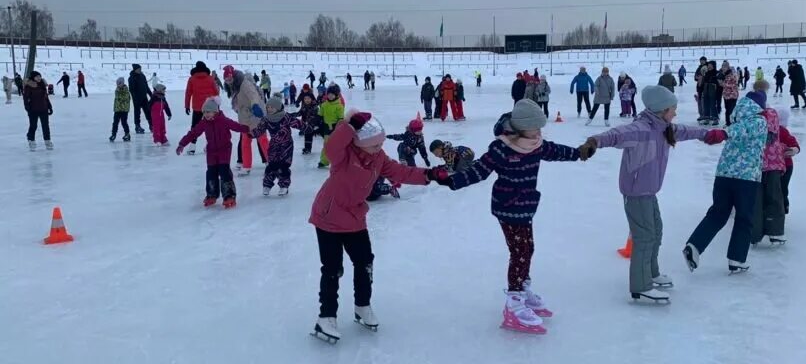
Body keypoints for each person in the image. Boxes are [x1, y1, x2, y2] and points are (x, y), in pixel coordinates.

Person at [434, 100, 585, 334]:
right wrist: (452, 180)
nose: (540, 132)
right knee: (519, 251)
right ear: (522, 127)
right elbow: (479, 171)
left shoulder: (536, 144)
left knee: (528, 248)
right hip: (507, 207)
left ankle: (523, 288)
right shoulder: (501, 148)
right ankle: (513, 302)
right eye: (536, 127)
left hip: (527, 206)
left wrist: (578, 153)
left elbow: (556, 151)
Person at [580, 86, 725, 302]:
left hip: (649, 192)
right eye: (672, 109)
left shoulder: (664, 128)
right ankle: (641, 286)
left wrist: (707, 135)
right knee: (645, 237)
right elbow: (614, 135)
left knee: (656, 232)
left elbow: (688, 131)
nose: (675, 113)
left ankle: (651, 272)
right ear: (661, 110)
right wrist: (593, 143)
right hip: (636, 193)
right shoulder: (640, 129)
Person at [309, 111, 436, 344]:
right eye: (374, 144)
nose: (379, 148)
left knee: (365, 262)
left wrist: (430, 175)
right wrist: (348, 125)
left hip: (354, 218)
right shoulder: (343, 156)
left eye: (381, 143)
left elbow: (401, 171)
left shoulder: (378, 157)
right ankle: (326, 317)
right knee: (332, 268)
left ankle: (362, 305)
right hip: (328, 217)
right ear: (359, 142)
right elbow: (331, 148)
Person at [683, 92, 768, 273]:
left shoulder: (735, 122)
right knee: (744, 218)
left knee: (718, 213)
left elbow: (737, 130)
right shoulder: (759, 122)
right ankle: (737, 259)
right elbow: (743, 130)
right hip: (746, 179)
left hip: (723, 176)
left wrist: (723, 132)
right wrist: (722, 133)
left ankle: (695, 245)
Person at [176, 97, 250, 209]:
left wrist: (249, 129)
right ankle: (212, 194)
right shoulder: (204, 123)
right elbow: (193, 133)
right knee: (211, 172)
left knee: (224, 171)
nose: (206, 114)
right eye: (204, 112)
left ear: (215, 111)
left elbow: (236, 126)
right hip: (211, 150)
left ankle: (229, 196)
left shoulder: (223, 120)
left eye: (208, 112)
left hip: (224, 149)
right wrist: (182, 143)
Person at [250, 96, 307, 196]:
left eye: (272, 107)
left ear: (278, 108)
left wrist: (308, 128)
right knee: (272, 165)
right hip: (274, 146)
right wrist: (252, 133)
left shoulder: (285, 117)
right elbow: (260, 129)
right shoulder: (266, 119)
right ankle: (267, 185)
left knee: (283, 166)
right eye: (268, 107)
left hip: (287, 145)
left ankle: (284, 186)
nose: (269, 109)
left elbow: (297, 123)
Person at [748, 102, 787, 246]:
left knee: (756, 201)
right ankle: (775, 230)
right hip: (773, 167)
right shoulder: (774, 125)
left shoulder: (753, 126)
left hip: (756, 168)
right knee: (774, 198)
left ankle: (755, 232)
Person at [224, 66, 270, 175]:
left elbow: (253, 95)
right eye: (226, 80)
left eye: (230, 79)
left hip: (255, 115)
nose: (228, 81)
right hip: (245, 118)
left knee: (262, 140)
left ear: (234, 76)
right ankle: (246, 166)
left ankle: (272, 162)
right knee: (245, 141)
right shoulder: (234, 86)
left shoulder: (244, 83)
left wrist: (255, 105)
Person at [184, 61, 220, 154]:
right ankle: (210, 145)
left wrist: (187, 105)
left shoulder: (192, 79)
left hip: (197, 107)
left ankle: (192, 146)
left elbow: (188, 93)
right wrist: (217, 104)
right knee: (211, 126)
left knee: (195, 127)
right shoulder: (210, 78)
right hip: (210, 106)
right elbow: (216, 92)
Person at [777, 110, 800, 216]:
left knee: (782, 187)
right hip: (771, 166)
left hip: (786, 166)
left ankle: (783, 207)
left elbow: (793, 142)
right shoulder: (762, 130)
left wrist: (795, 149)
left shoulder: (782, 131)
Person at [23, 71, 53, 150]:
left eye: (40, 76)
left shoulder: (42, 85)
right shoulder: (28, 86)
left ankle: (47, 140)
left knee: (45, 126)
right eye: (37, 76)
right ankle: (31, 140)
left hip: (44, 108)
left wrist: (49, 107)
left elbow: (46, 97)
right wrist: (27, 108)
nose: (39, 78)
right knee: (33, 125)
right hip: (33, 109)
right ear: (33, 77)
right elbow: (25, 98)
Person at [317, 85, 345, 168]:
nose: (330, 96)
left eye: (332, 94)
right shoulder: (324, 105)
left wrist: (338, 128)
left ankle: (339, 161)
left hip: (335, 128)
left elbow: (340, 118)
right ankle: (324, 161)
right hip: (326, 128)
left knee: (336, 146)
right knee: (326, 145)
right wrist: (317, 121)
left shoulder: (339, 106)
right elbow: (320, 114)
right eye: (329, 94)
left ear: (336, 95)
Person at [128, 64, 153, 134]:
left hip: (144, 97)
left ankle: (151, 125)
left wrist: (151, 95)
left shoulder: (142, 76)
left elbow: (146, 86)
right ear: (135, 70)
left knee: (148, 111)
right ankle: (137, 126)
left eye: (140, 69)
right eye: (138, 69)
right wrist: (135, 98)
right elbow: (131, 90)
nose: (140, 70)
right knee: (137, 113)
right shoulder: (131, 78)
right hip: (137, 99)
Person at [110, 77, 131, 142]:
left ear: (122, 83)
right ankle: (113, 134)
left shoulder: (126, 90)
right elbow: (117, 98)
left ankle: (127, 134)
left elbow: (125, 98)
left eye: (119, 83)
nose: (118, 85)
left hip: (124, 110)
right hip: (117, 109)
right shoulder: (117, 89)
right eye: (117, 84)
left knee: (124, 122)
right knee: (115, 123)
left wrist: (119, 94)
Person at [700, 61, 720, 125]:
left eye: (710, 65)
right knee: (706, 105)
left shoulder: (717, 73)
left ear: (713, 66)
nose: (709, 66)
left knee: (713, 105)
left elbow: (719, 83)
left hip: (713, 91)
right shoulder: (706, 73)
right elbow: (703, 83)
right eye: (708, 65)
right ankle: (707, 118)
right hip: (706, 90)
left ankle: (715, 119)